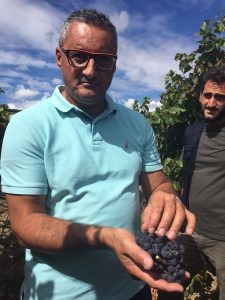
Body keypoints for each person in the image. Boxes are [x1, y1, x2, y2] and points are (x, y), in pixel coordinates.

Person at [0, 9, 195, 300]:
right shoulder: (28, 126)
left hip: (134, 284)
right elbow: (25, 223)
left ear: (114, 65)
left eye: (103, 60)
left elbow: (159, 183)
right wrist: (105, 236)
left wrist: (164, 195)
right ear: (59, 57)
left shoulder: (137, 124)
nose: (91, 70)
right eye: (79, 55)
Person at [159, 65, 225, 300]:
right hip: (190, 230)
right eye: (208, 95)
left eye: (219, 97)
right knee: (170, 284)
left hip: (222, 238)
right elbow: (189, 174)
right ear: (200, 96)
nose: (211, 102)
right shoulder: (193, 132)